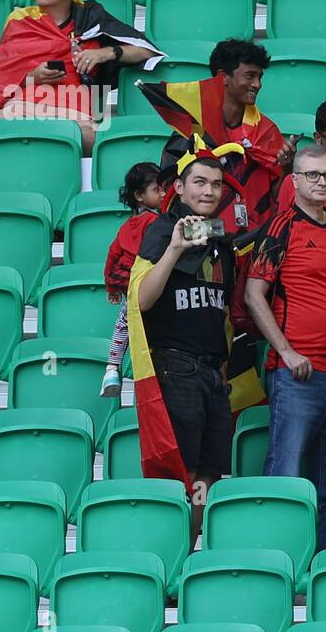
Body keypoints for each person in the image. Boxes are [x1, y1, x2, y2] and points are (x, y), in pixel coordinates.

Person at [245, 144, 326, 549]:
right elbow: (253, 294)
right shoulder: (281, 227)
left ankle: (323, 567)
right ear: (294, 179)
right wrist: (288, 351)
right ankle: (275, 563)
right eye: (311, 175)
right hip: (297, 372)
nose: (320, 182)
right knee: (287, 475)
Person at [129, 145, 243, 541]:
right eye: (199, 182)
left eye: (216, 184)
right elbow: (141, 300)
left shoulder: (220, 240)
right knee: (182, 472)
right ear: (178, 187)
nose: (210, 191)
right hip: (175, 367)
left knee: (209, 473)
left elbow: (225, 308)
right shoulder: (162, 230)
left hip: (214, 371)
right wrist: (175, 249)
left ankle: (186, 556)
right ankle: (169, 557)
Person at [0, 0, 163, 152]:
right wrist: (32, 76)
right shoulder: (19, 20)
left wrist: (105, 53)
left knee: (91, 139)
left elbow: (146, 50)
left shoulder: (91, 18)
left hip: (74, 112)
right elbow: (1, 74)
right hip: (22, 108)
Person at [155, 38, 289, 234]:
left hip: (257, 242)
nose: (257, 84)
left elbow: (279, 195)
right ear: (223, 77)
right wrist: (217, 237)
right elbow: (172, 197)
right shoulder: (191, 131)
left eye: (260, 77)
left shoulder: (267, 132)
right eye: (250, 76)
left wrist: (287, 167)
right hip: (203, 244)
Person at [100, 162, 164, 398]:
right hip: (149, 285)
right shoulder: (158, 223)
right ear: (139, 196)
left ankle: (112, 369)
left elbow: (112, 255)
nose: (164, 193)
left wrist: (111, 285)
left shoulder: (127, 226)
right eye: (157, 189)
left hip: (129, 285)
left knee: (122, 326)